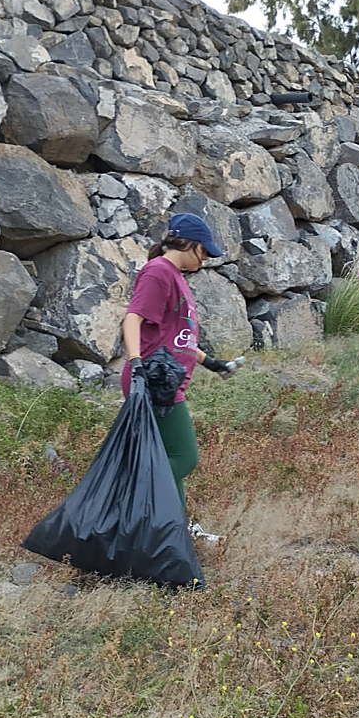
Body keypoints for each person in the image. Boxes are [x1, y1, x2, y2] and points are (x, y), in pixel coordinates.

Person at [120, 213, 244, 508]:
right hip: (153, 377)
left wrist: (211, 362)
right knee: (184, 457)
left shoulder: (174, 275)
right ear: (188, 244)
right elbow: (132, 318)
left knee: (166, 457)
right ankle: (124, 506)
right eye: (204, 251)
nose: (206, 258)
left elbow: (177, 336)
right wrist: (137, 365)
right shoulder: (158, 272)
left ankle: (175, 529)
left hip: (162, 376)